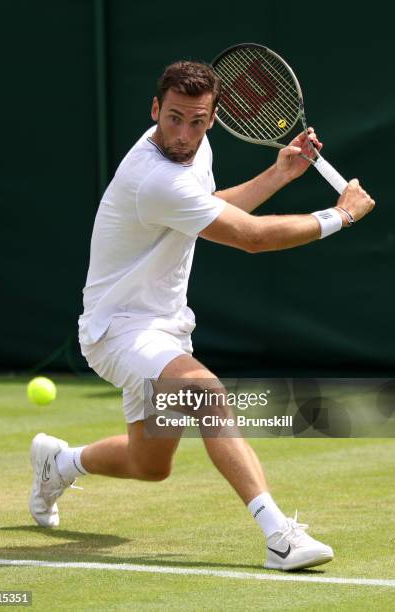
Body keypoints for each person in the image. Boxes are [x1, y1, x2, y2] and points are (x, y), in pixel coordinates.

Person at [29, 61, 375, 571]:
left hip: (165, 326)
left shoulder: (194, 150)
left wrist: (279, 173)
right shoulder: (152, 178)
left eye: (197, 121)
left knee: (149, 465)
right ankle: (279, 536)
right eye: (173, 119)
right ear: (154, 110)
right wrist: (339, 215)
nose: (184, 134)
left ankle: (60, 463)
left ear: (212, 118)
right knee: (206, 393)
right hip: (118, 331)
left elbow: (209, 210)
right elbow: (250, 238)